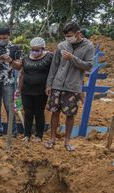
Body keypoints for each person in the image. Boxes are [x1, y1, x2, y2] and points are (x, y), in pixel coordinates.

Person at [45, 22, 95, 151]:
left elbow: (89, 66)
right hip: (57, 85)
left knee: (70, 114)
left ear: (78, 33)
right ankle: (52, 139)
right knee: (54, 112)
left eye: (70, 36)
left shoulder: (88, 46)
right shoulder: (61, 45)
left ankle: (67, 141)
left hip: (73, 86)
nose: (68, 38)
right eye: (66, 36)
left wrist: (72, 58)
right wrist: (49, 84)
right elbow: (54, 66)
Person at [16, 37, 53, 142]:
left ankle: (39, 135)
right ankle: (27, 135)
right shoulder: (26, 58)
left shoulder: (49, 57)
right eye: (32, 49)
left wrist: (50, 86)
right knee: (27, 113)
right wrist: (19, 88)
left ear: (43, 48)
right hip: (26, 90)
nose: (34, 52)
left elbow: (54, 71)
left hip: (41, 91)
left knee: (39, 113)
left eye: (37, 50)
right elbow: (22, 74)